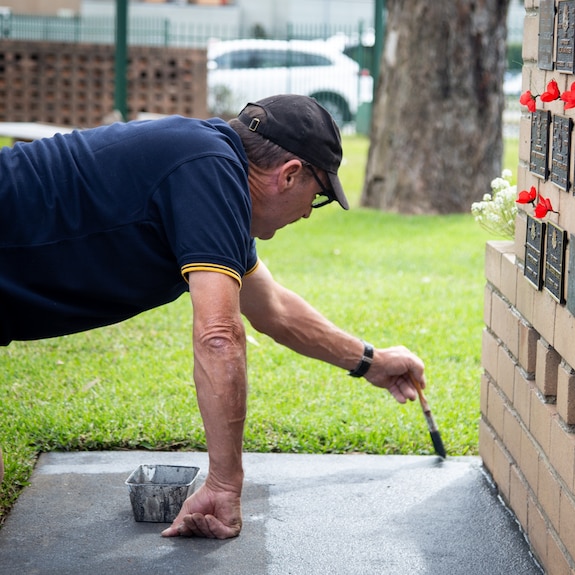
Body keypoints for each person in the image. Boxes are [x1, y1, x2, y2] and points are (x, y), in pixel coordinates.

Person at [0, 94, 426, 539]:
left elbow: (273, 308)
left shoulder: (211, 172)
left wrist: (372, 362)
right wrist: (225, 483)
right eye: (316, 198)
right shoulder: (209, 170)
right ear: (290, 174)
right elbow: (219, 335)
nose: (305, 213)